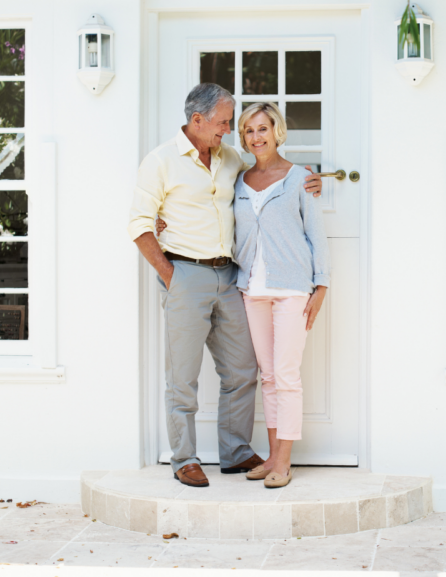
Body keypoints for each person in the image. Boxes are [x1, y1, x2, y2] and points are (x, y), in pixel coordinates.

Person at [128, 83, 322, 488]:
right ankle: (184, 458)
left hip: (233, 275)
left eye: (233, 123)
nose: (230, 130)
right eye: (223, 123)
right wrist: (171, 276)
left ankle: (234, 452)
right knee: (182, 375)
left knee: (242, 368)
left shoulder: (230, 158)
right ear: (197, 120)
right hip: (185, 274)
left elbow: (269, 174)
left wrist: (310, 182)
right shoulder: (160, 162)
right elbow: (140, 226)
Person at [232, 102, 330, 488]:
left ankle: (284, 462)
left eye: (262, 128)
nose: (256, 137)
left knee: (286, 375)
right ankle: (272, 456)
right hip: (251, 288)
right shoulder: (238, 181)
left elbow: (316, 234)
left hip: (291, 288)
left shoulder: (299, 178)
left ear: (277, 131)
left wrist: (320, 285)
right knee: (269, 376)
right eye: (248, 131)